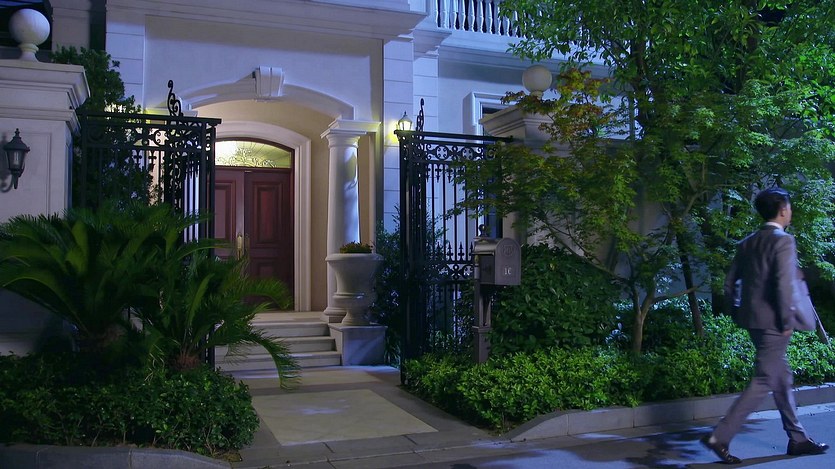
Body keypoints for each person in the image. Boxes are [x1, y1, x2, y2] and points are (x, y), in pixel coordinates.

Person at [701, 187, 829, 464]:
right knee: (763, 380)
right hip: (774, 322)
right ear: (782, 210)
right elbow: (783, 284)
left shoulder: (747, 242)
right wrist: (786, 320)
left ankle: (798, 439)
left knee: (781, 376)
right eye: (789, 207)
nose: (790, 211)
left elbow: (729, 283)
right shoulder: (783, 241)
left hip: (753, 320)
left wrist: (738, 312)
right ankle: (719, 436)